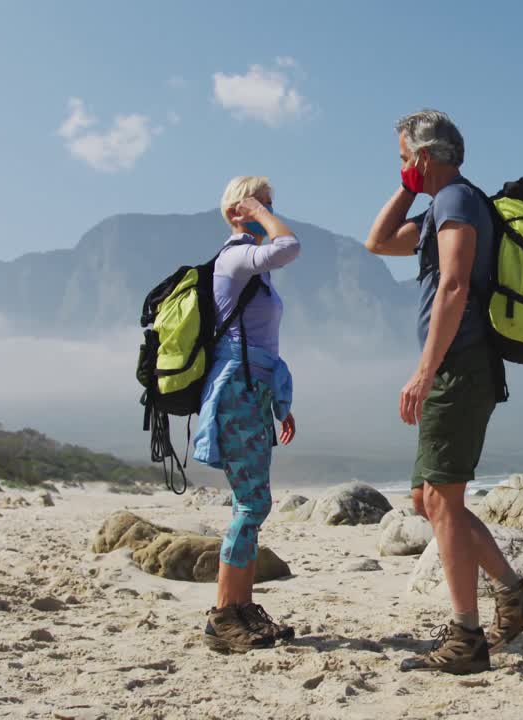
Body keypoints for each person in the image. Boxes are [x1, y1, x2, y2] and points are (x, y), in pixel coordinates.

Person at [365, 110, 523, 674]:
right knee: (429, 501)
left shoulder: (458, 202)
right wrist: (405, 185)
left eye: (403, 158)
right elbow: (377, 242)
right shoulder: (437, 207)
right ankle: (515, 596)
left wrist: (425, 370)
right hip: (456, 366)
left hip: (459, 367)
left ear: (424, 156)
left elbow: (454, 284)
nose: (401, 167)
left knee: (442, 501)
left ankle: (467, 635)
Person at [191, 176, 301, 653]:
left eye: (270, 203)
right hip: (236, 390)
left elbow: (265, 346)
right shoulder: (235, 258)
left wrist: (281, 403)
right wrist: (258, 213)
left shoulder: (253, 270)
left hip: (253, 391)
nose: (267, 210)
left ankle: (241, 610)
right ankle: (222, 617)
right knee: (251, 505)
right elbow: (290, 244)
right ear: (237, 211)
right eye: (259, 203)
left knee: (253, 504)